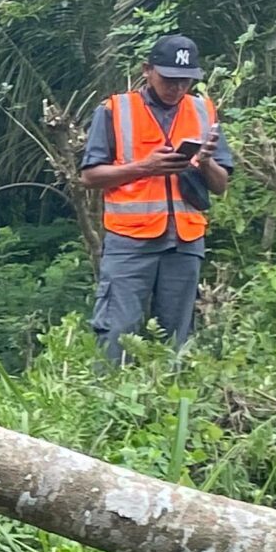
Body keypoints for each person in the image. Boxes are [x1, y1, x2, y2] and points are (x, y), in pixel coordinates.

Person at [81, 33, 234, 363]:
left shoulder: (204, 110)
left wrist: (205, 162)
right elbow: (89, 176)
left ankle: (167, 407)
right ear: (147, 70)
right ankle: (110, 405)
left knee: (175, 337)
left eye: (185, 82)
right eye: (169, 80)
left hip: (185, 240)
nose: (177, 89)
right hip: (130, 240)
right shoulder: (114, 110)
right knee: (117, 331)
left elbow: (221, 185)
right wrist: (145, 167)